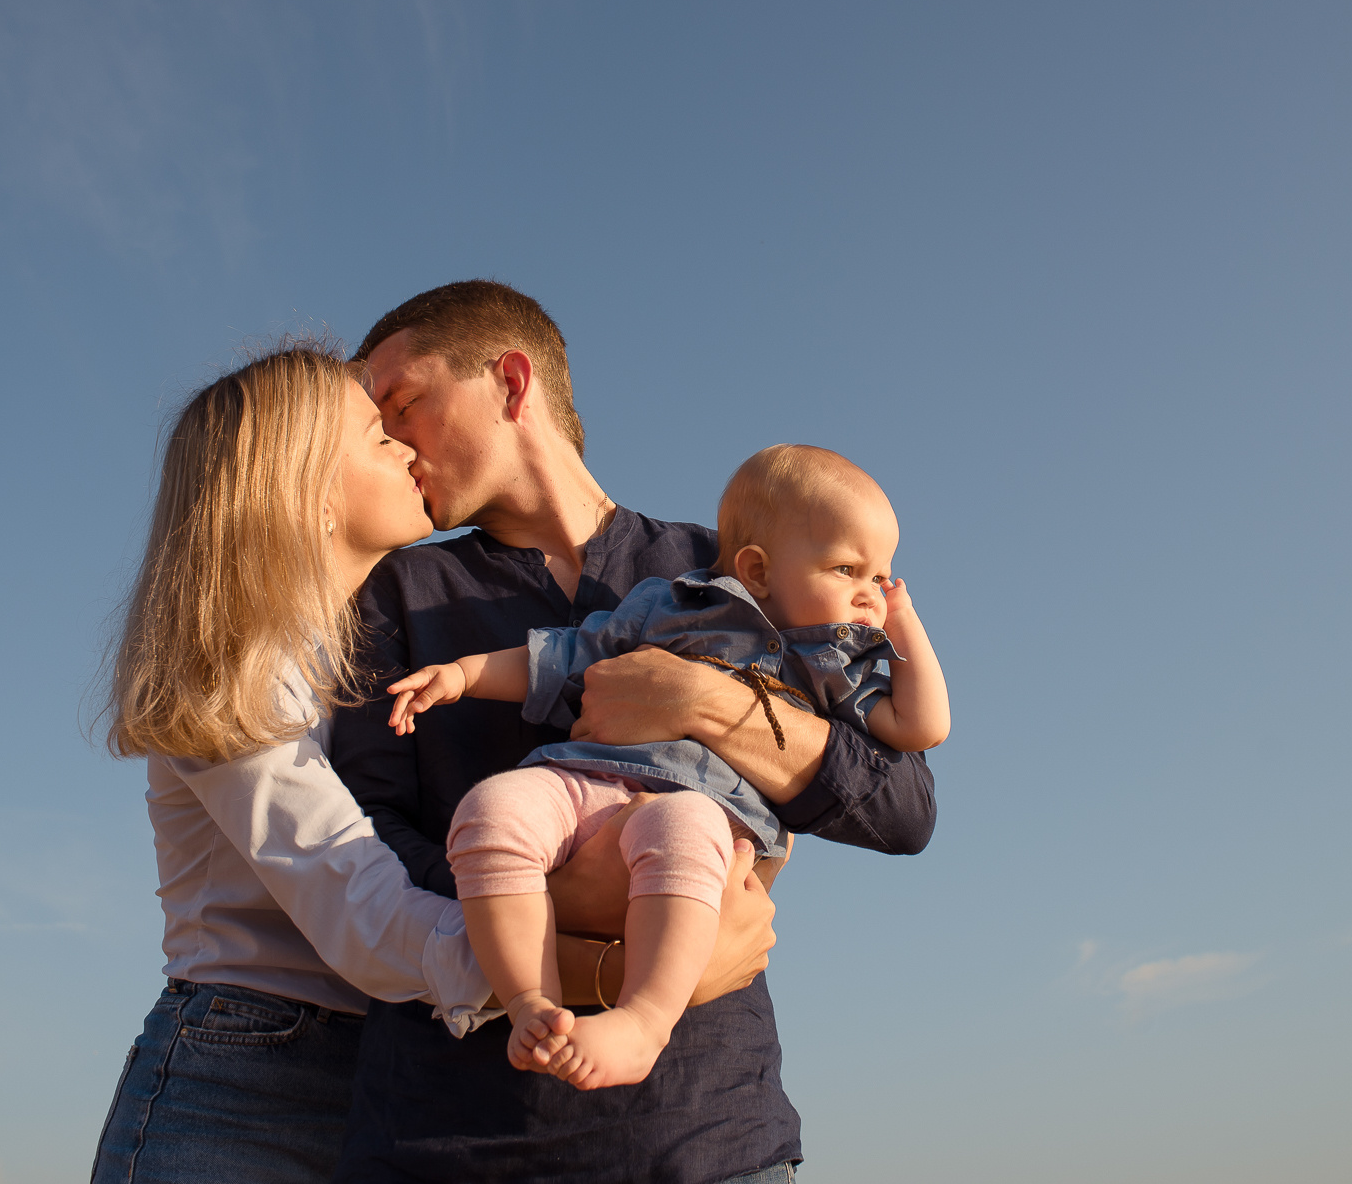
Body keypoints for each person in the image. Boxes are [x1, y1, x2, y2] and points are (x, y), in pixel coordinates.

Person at [88, 338, 776, 1184]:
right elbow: (361, 906)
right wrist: (614, 965)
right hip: (246, 1072)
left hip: (391, 1061)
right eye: (380, 439)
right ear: (307, 495)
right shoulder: (243, 662)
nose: (410, 448)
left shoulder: (376, 636)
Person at [332, 283, 938, 1183]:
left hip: (707, 1140)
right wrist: (590, 951)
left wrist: (702, 704)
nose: (391, 437)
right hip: (450, 1141)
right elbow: (363, 848)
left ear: (510, 380)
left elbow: (904, 805)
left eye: (404, 400)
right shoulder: (391, 595)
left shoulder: (729, 569)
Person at [386, 443, 951, 1091]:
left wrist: (905, 630)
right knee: (491, 810)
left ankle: (642, 1022)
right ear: (757, 569)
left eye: (881, 576)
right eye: (849, 568)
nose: (870, 594)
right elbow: (562, 656)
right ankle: (529, 1001)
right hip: (586, 772)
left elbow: (920, 730)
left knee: (680, 836)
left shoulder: (835, 663)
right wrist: (462, 674)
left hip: (703, 802)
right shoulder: (673, 600)